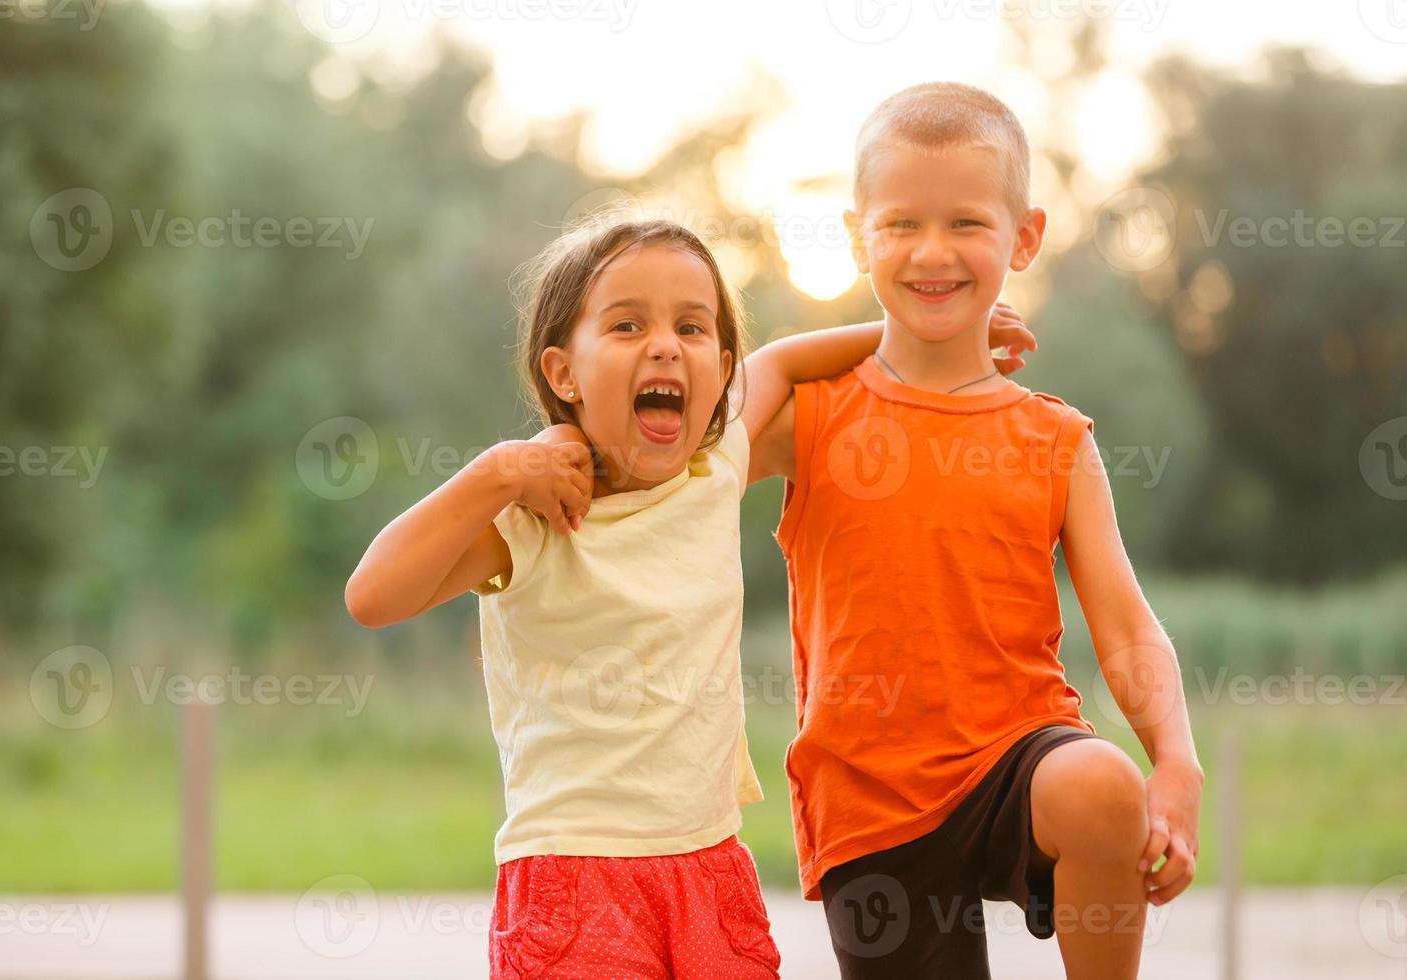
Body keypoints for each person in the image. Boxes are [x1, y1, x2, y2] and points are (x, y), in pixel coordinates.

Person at [344, 214, 1037, 978]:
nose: (666, 344)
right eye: (626, 324)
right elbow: (373, 595)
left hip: (709, 867)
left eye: (692, 327)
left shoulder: (716, 468)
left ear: (718, 375)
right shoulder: (531, 516)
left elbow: (784, 358)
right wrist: (500, 472)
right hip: (575, 875)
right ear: (563, 373)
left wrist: (928, 335)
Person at [751, 82, 1206, 979]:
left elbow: (1122, 624)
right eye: (899, 226)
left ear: (1025, 237)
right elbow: (700, 428)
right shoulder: (811, 419)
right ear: (855, 236)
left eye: (966, 224)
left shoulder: (1056, 439)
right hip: (871, 804)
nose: (932, 252)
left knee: (1101, 785)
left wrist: (1178, 764)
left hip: (1017, 761)